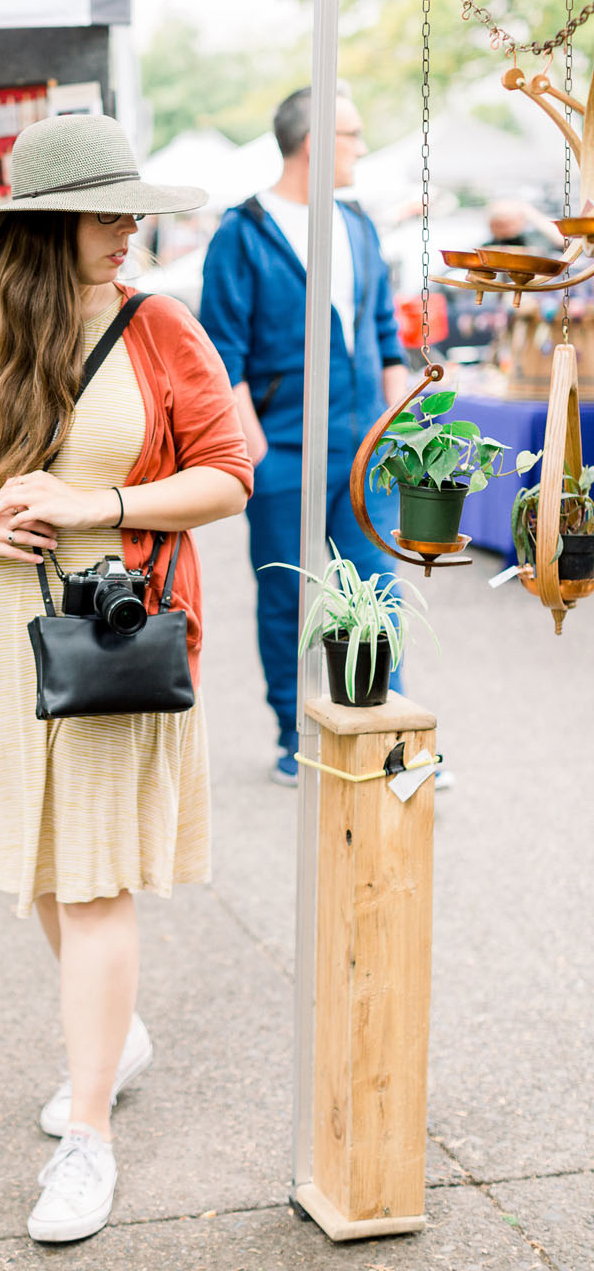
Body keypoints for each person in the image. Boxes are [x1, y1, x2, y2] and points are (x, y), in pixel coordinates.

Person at [0, 114, 254, 1245]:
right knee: (45, 872)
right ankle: (120, 1037)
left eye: (131, 214)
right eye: (109, 216)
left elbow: (229, 476)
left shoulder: (160, 328)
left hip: (112, 635)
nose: (128, 235)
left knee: (94, 880)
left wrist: (92, 504)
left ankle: (88, 1138)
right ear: (47, 227)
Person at [200, 85, 407, 786]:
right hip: (282, 451)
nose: (362, 148)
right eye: (353, 135)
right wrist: (251, 443)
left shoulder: (358, 226)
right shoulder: (243, 232)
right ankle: (295, 736)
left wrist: (399, 419)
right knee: (289, 596)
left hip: (363, 449)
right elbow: (221, 349)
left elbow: (383, 334)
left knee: (379, 589)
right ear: (317, 142)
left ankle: (388, 736)